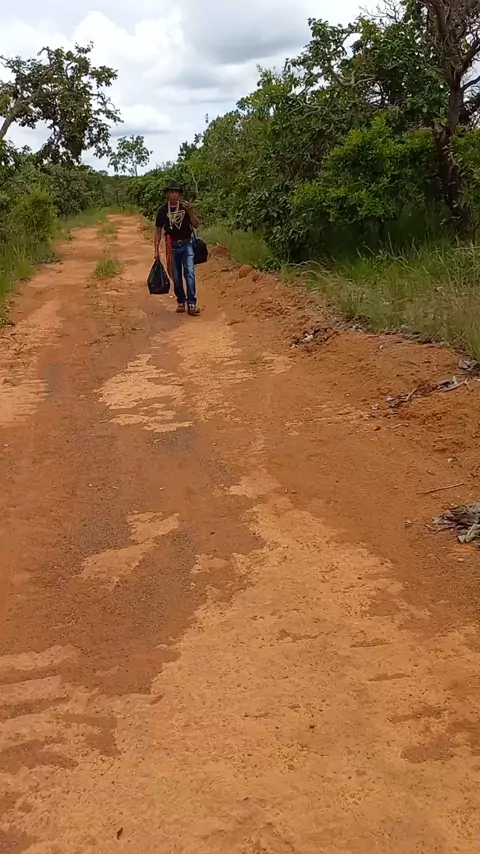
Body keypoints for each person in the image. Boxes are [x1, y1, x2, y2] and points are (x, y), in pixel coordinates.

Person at [154, 180, 201, 316]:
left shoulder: (185, 207)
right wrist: (156, 250)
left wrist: (190, 211)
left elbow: (196, 224)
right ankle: (181, 300)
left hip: (187, 244)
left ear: (180, 194)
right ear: (167, 194)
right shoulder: (162, 211)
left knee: (189, 273)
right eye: (171, 192)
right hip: (172, 246)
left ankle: (191, 303)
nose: (174, 194)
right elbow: (158, 231)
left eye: (176, 192)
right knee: (176, 276)